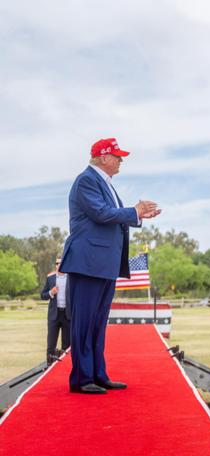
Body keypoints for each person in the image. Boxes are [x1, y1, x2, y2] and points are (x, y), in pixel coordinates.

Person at [59, 138, 160, 394]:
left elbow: (111, 215)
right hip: (87, 262)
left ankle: (97, 374)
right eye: (117, 156)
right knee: (84, 323)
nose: (121, 160)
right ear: (103, 158)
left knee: (98, 322)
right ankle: (82, 379)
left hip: (102, 263)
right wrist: (133, 211)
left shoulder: (105, 184)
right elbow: (102, 214)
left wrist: (137, 214)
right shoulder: (86, 180)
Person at [40, 257, 71, 364]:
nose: (59, 265)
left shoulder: (71, 279)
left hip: (68, 315)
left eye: (61, 263)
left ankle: (65, 366)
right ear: (55, 265)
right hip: (54, 315)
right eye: (57, 263)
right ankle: (49, 365)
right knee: (51, 344)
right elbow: (42, 296)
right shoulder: (50, 279)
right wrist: (51, 293)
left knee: (67, 344)